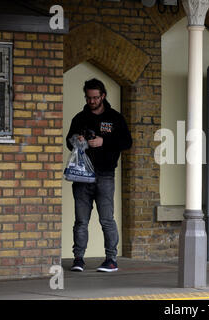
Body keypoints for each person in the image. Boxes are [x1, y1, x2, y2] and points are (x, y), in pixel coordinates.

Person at [66, 78, 132, 272]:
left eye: (95, 97)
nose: (92, 101)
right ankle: (78, 259)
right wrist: (77, 140)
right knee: (80, 221)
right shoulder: (79, 118)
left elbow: (127, 142)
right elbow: (69, 143)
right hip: (81, 175)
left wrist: (104, 142)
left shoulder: (115, 117)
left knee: (106, 219)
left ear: (103, 95)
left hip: (105, 175)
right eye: (88, 98)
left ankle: (111, 259)